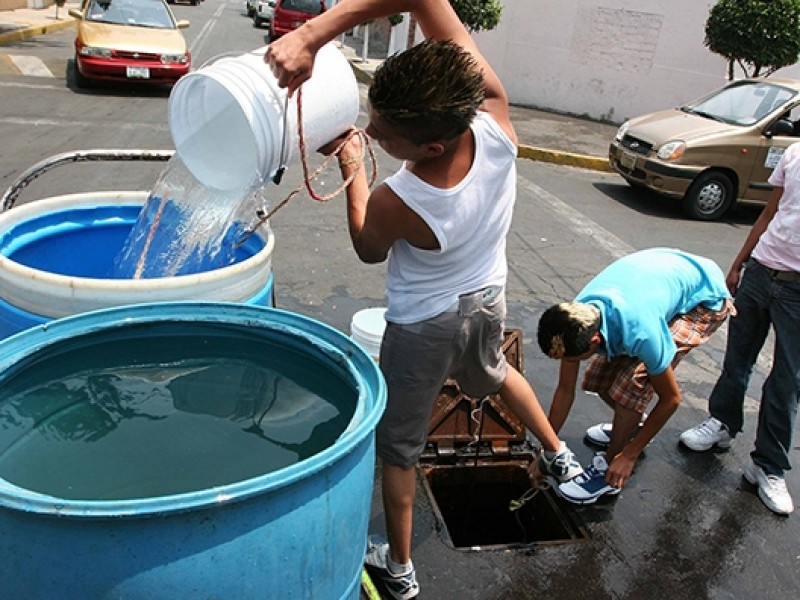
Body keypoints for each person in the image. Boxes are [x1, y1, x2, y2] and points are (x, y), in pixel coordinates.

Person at [266, 1, 582, 598]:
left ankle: (401, 570)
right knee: (495, 373)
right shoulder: (493, 114)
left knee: (401, 449)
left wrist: (355, 167)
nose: (373, 132)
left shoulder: (403, 196)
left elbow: (366, 247)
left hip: (424, 325)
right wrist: (314, 35)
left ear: (431, 146)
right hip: (486, 297)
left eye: (385, 132)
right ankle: (560, 454)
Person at [536, 248, 733, 505]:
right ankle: (631, 427)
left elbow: (671, 399)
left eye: (572, 359)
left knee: (632, 386)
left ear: (595, 340)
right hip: (659, 279)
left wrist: (630, 453)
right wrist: (547, 452)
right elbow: (565, 389)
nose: (569, 363)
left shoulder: (643, 332)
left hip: (703, 298)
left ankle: (610, 470)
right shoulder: (575, 316)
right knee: (601, 382)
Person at [679, 143, 800, 516]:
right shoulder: (795, 153)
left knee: (787, 380)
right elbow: (771, 211)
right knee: (738, 359)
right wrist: (739, 264)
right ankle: (723, 423)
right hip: (761, 271)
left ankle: (767, 466)